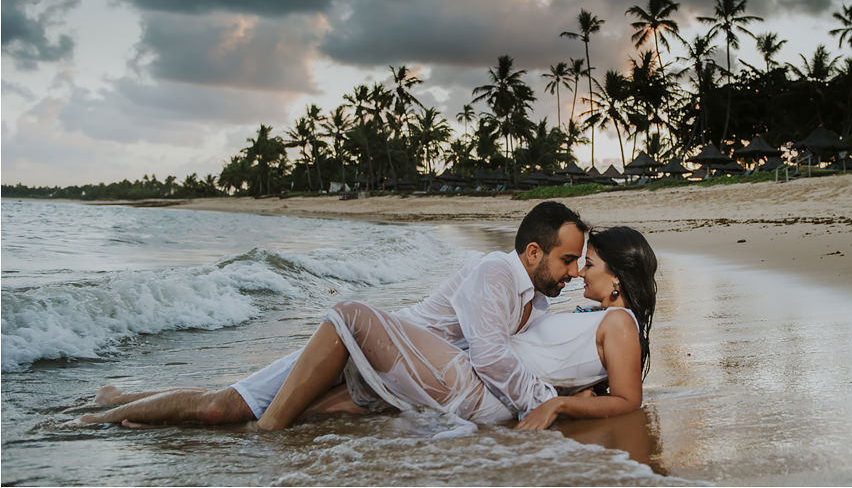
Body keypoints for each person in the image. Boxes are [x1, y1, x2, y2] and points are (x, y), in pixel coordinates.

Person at [80, 201, 588, 428]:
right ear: (532, 253)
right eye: (567, 259)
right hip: (352, 347)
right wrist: (545, 401)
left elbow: (537, 352)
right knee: (223, 409)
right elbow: (491, 356)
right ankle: (102, 413)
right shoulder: (496, 273)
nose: (572, 271)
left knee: (240, 406)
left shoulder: (534, 298)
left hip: (379, 374)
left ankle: (123, 398)